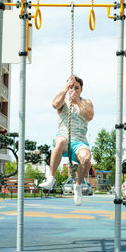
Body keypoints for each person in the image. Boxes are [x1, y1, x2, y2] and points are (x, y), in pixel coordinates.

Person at [39, 75, 94, 206]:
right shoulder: (63, 101)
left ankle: (78, 186)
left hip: (79, 141)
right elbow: (54, 104)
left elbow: (89, 116)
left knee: (86, 159)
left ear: (81, 89)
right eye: (71, 87)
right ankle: (51, 178)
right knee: (60, 141)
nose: (73, 90)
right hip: (64, 138)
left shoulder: (86, 102)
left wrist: (78, 102)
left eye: (76, 88)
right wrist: (65, 87)